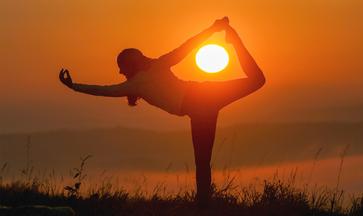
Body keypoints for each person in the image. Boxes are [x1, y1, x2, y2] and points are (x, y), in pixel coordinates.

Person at [59, 17, 265, 205]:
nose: (120, 72)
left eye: (121, 67)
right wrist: (212, 29)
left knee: (203, 160)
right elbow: (104, 90)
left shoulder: (147, 74)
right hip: (202, 100)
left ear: (131, 63)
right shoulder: (140, 81)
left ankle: (203, 203)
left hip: (201, 99)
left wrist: (74, 86)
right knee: (203, 159)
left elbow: (186, 48)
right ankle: (203, 203)